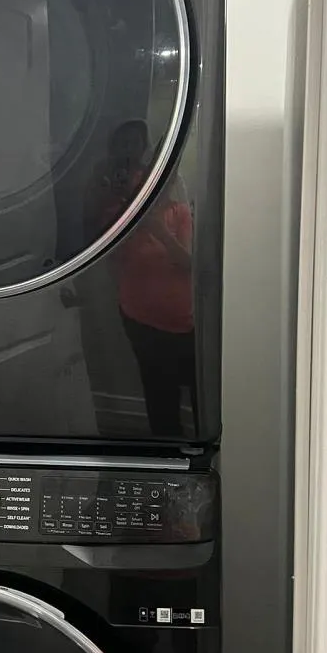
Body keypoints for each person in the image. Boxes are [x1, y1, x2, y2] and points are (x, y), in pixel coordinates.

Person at [93, 121, 197, 437]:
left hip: (185, 326)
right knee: (159, 396)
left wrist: (159, 230)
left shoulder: (179, 213)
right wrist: (129, 216)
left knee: (200, 391)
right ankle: (167, 454)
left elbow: (188, 264)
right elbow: (109, 261)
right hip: (141, 322)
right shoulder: (118, 217)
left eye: (166, 178)